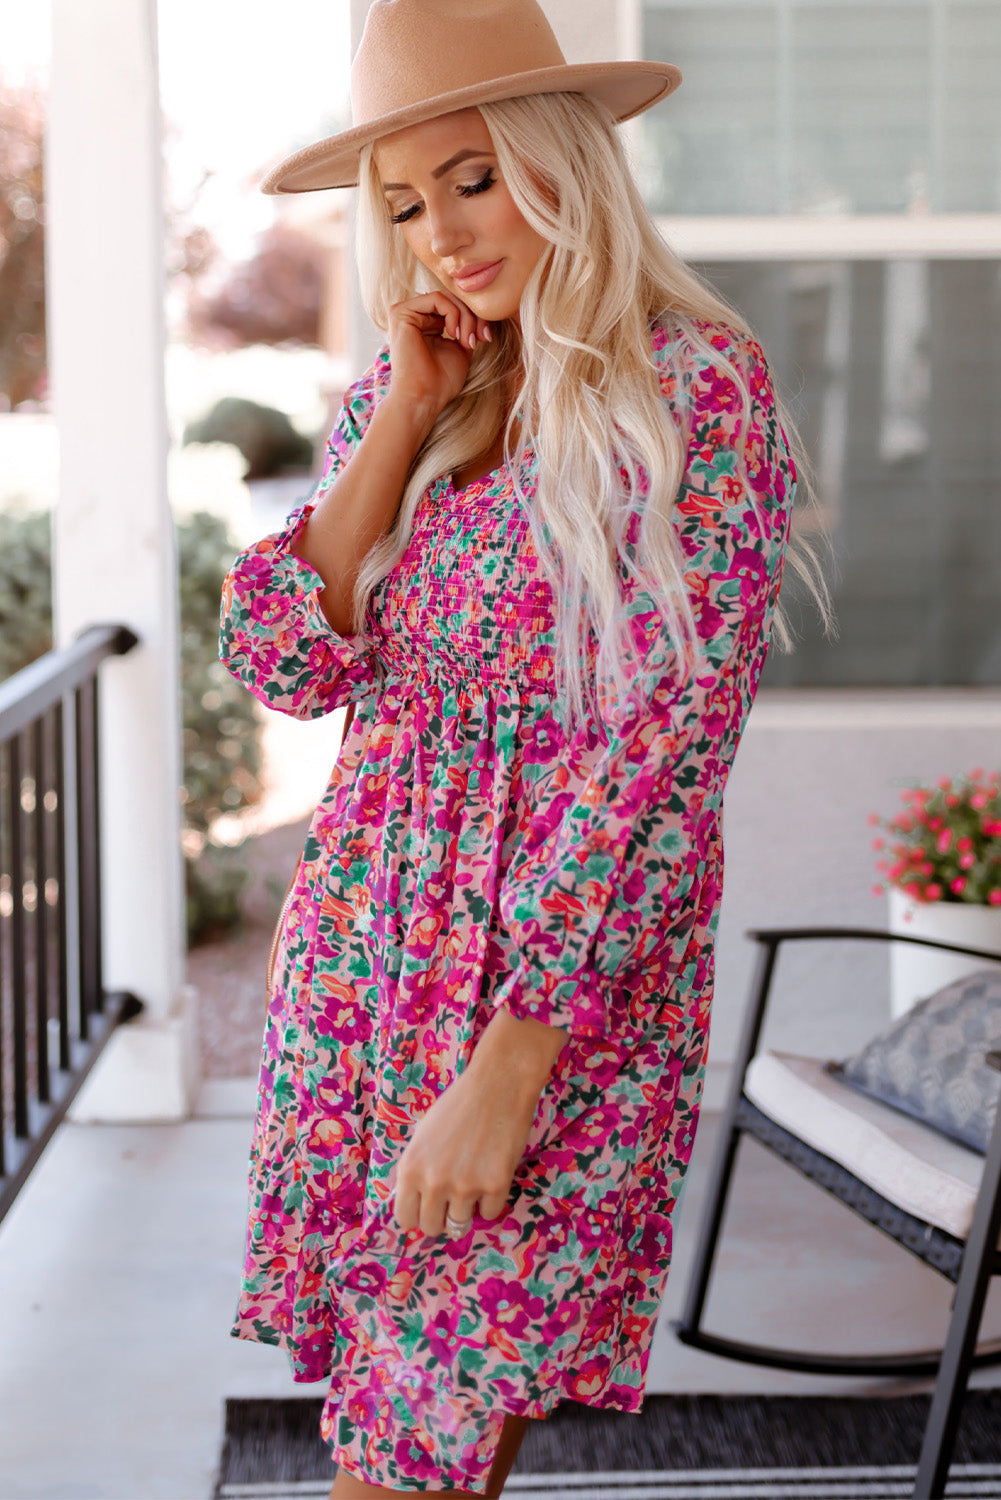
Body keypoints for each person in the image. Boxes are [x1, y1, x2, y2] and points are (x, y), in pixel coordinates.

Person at [219, 1, 825, 1495]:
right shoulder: (413, 384)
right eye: (404, 203)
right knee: (404, 1432)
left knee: (414, 1450)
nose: (441, 233)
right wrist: (406, 415)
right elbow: (284, 661)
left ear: (563, 160)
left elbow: (662, 766)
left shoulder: (695, 387)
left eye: (474, 177)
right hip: (364, 969)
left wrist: (510, 1066)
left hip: (549, 997)